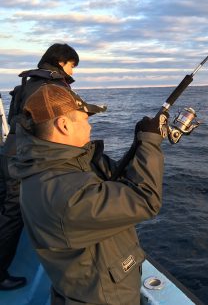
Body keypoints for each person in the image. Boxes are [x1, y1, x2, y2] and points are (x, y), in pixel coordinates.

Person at [9, 84, 166, 304]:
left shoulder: (58, 167)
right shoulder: (63, 194)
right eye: (85, 120)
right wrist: (150, 144)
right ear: (63, 125)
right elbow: (144, 199)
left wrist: (138, 144)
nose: (90, 127)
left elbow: (115, 184)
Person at [0, 43, 80, 290]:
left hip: (8, 153)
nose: (73, 73)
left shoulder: (27, 83)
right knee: (13, 214)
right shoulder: (53, 87)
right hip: (22, 158)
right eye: (72, 66)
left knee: (4, 205)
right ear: (61, 62)